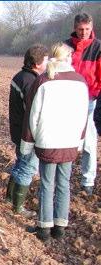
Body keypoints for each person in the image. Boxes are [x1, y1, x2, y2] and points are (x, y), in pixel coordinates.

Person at [21, 43, 89, 241]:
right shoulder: (80, 81)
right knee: (63, 184)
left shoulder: (43, 81)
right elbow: (83, 116)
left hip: (47, 141)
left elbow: (32, 116)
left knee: (47, 184)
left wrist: (28, 142)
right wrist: (80, 141)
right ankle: (60, 226)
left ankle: (44, 228)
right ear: (68, 58)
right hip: (69, 141)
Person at [7, 44, 49, 217]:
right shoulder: (31, 82)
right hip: (27, 134)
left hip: (17, 131)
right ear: (38, 63)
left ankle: (10, 198)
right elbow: (32, 112)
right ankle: (18, 208)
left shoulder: (19, 77)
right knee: (28, 168)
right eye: (46, 60)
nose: (47, 63)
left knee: (20, 164)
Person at [64, 13, 101, 196]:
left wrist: (95, 92)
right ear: (75, 27)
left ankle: (88, 181)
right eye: (80, 29)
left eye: (87, 29)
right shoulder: (66, 46)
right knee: (68, 141)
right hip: (68, 101)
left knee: (89, 143)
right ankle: (64, 178)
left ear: (91, 27)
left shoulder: (98, 47)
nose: (84, 32)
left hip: (89, 100)